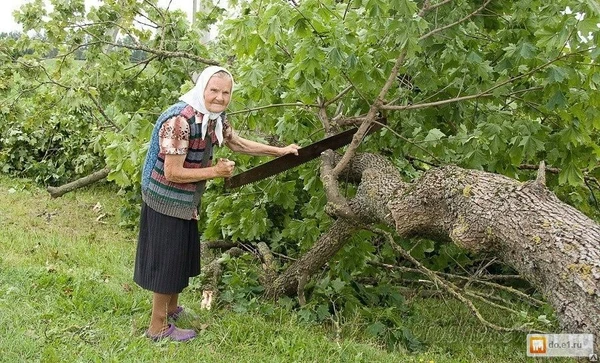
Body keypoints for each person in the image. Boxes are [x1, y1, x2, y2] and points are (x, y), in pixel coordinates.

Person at [134, 66, 300, 342]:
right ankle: (157, 328)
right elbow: (172, 173)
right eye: (214, 90)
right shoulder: (180, 121)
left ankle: (171, 309)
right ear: (202, 89)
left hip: (186, 198)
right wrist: (216, 172)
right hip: (164, 198)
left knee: (179, 257)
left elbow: (237, 143)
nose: (220, 97)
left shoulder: (213, 118)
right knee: (167, 262)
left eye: (226, 92)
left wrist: (279, 151)